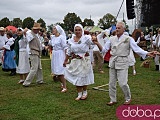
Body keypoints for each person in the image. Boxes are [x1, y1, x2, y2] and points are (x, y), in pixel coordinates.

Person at [93, 22, 155, 105]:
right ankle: (113, 99)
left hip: (123, 62)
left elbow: (136, 49)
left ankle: (128, 97)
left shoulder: (128, 39)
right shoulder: (111, 39)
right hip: (113, 61)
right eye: (116, 28)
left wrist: (147, 53)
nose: (117, 29)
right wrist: (97, 43)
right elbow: (104, 50)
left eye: (119, 28)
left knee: (123, 83)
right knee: (111, 83)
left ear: (123, 29)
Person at [63, 24, 94, 100]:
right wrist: (66, 60)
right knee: (77, 77)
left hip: (84, 61)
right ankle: (79, 93)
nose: (77, 31)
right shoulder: (71, 40)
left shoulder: (86, 38)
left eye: (79, 30)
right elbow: (69, 51)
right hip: (75, 61)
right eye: (76, 30)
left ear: (82, 30)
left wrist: (94, 39)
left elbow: (92, 43)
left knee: (83, 76)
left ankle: (85, 91)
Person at [22, 23, 44, 87]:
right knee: (34, 68)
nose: (38, 30)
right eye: (37, 29)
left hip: (37, 52)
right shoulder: (30, 34)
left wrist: (43, 47)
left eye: (38, 29)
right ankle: (26, 82)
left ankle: (40, 80)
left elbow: (39, 43)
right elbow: (27, 40)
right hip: (33, 52)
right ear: (34, 29)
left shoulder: (36, 35)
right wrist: (25, 33)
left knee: (39, 67)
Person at [49, 25, 67, 92]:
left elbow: (65, 47)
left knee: (60, 71)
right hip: (54, 54)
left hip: (60, 54)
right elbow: (50, 44)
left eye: (54, 28)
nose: (53, 30)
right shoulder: (53, 37)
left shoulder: (61, 38)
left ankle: (65, 86)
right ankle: (62, 83)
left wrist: (66, 58)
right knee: (56, 71)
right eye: (53, 28)